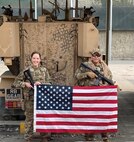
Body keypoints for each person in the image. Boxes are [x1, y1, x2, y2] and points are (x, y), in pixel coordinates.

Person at [75, 48, 113, 142]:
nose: (95, 57)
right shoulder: (86, 65)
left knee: (102, 116)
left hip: (101, 96)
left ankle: (105, 136)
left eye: (98, 55)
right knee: (89, 116)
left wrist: (106, 85)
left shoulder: (104, 66)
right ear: (91, 56)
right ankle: (89, 137)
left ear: (100, 56)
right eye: (94, 55)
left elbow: (110, 78)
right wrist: (87, 74)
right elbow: (76, 75)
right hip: (88, 96)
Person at [13, 51, 51, 142]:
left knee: (43, 117)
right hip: (29, 99)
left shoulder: (44, 70)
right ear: (31, 59)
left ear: (40, 60)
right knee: (29, 119)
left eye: (37, 58)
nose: (35, 60)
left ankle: (44, 136)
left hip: (42, 99)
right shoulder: (26, 71)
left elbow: (50, 83)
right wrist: (25, 83)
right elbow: (15, 83)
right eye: (34, 58)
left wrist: (41, 83)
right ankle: (28, 138)